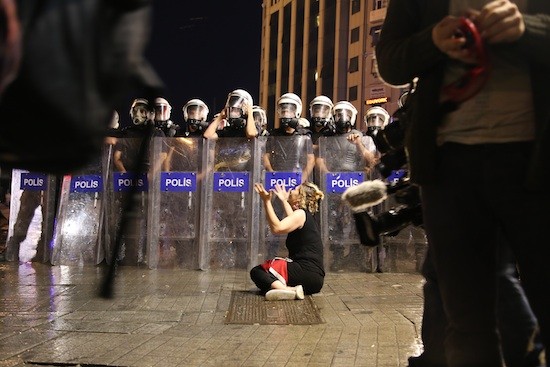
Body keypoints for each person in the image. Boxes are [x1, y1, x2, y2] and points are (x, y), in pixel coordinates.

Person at [376, 1, 550, 366]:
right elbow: (391, 61)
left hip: (536, 163)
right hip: (449, 165)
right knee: (468, 323)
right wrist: (432, 40)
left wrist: (527, 30)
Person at [315, 101, 378, 272]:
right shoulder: (329, 138)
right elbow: (320, 158)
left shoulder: (363, 137)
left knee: (358, 222)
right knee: (334, 223)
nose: (342, 118)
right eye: (339, 114)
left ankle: (358, 257)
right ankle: (336, 257)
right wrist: (328, 175)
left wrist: (358, 144)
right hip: (335, 185)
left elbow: (371, 160)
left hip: (356, 186)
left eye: (346, 114)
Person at [250, 181, 325, 300]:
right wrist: (284, 200)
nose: (292, 189)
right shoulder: (302, 216)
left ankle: (288, 290)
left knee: (258, 271)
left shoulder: (301, 214)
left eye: (296, 189)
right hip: (314, 279)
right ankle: (286, 289)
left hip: (305, 272)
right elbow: (291, 217)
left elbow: (277, 228)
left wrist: (266, 201)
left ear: (300, 198)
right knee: (265, 274)